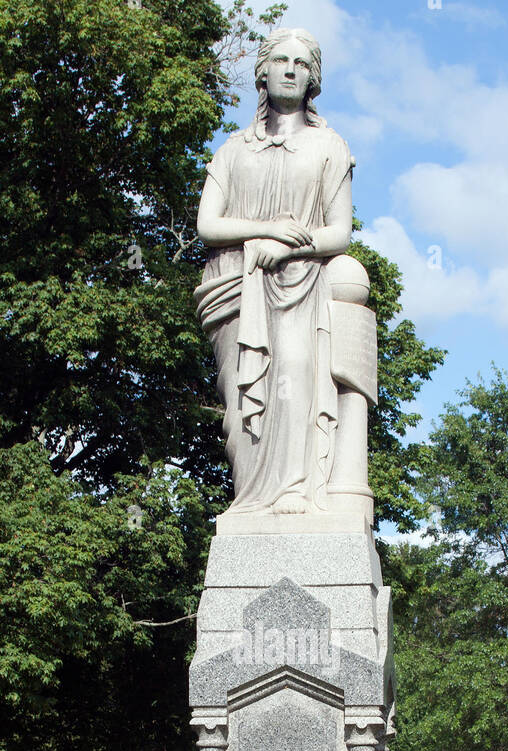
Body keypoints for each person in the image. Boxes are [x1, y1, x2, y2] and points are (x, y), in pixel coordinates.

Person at [194, 28, 359, 517]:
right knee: (243, 401)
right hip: (236, 284)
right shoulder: (232, 150)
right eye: (281, 60)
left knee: (294, 375)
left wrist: (286, 249)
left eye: (302, 63)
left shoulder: (329, 147)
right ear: (262, 72)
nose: (291, 69)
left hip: (302, 283)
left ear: (313, 80)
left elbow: (340, 233)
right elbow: (207, 224)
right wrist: (265, 233)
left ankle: (294, 488)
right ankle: (250, 500)